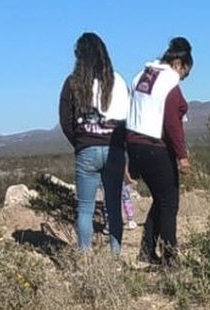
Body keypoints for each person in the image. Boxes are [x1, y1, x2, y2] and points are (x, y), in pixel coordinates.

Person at [58, 32, 129, 254]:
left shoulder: (73, 83)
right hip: (114, 147)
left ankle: (85, 259)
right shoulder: (117, 81)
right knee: (114, 207)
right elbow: (126, 119)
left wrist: (80, 142)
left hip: (86, 149)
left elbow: (65, 120)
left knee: (86, 208)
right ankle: (115, 257)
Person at [126, 36, 192, 267]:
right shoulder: (169, 83)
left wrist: (130, 161)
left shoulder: (140, 76)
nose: (183, 78)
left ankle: (146, 251)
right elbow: (173, 123)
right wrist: (182, 156)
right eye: (185, 73)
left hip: (135, 144)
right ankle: (170, 258)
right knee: (169, 202)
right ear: (179, 65)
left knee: (160, 199)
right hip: (155, 146)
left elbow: (131, 112)